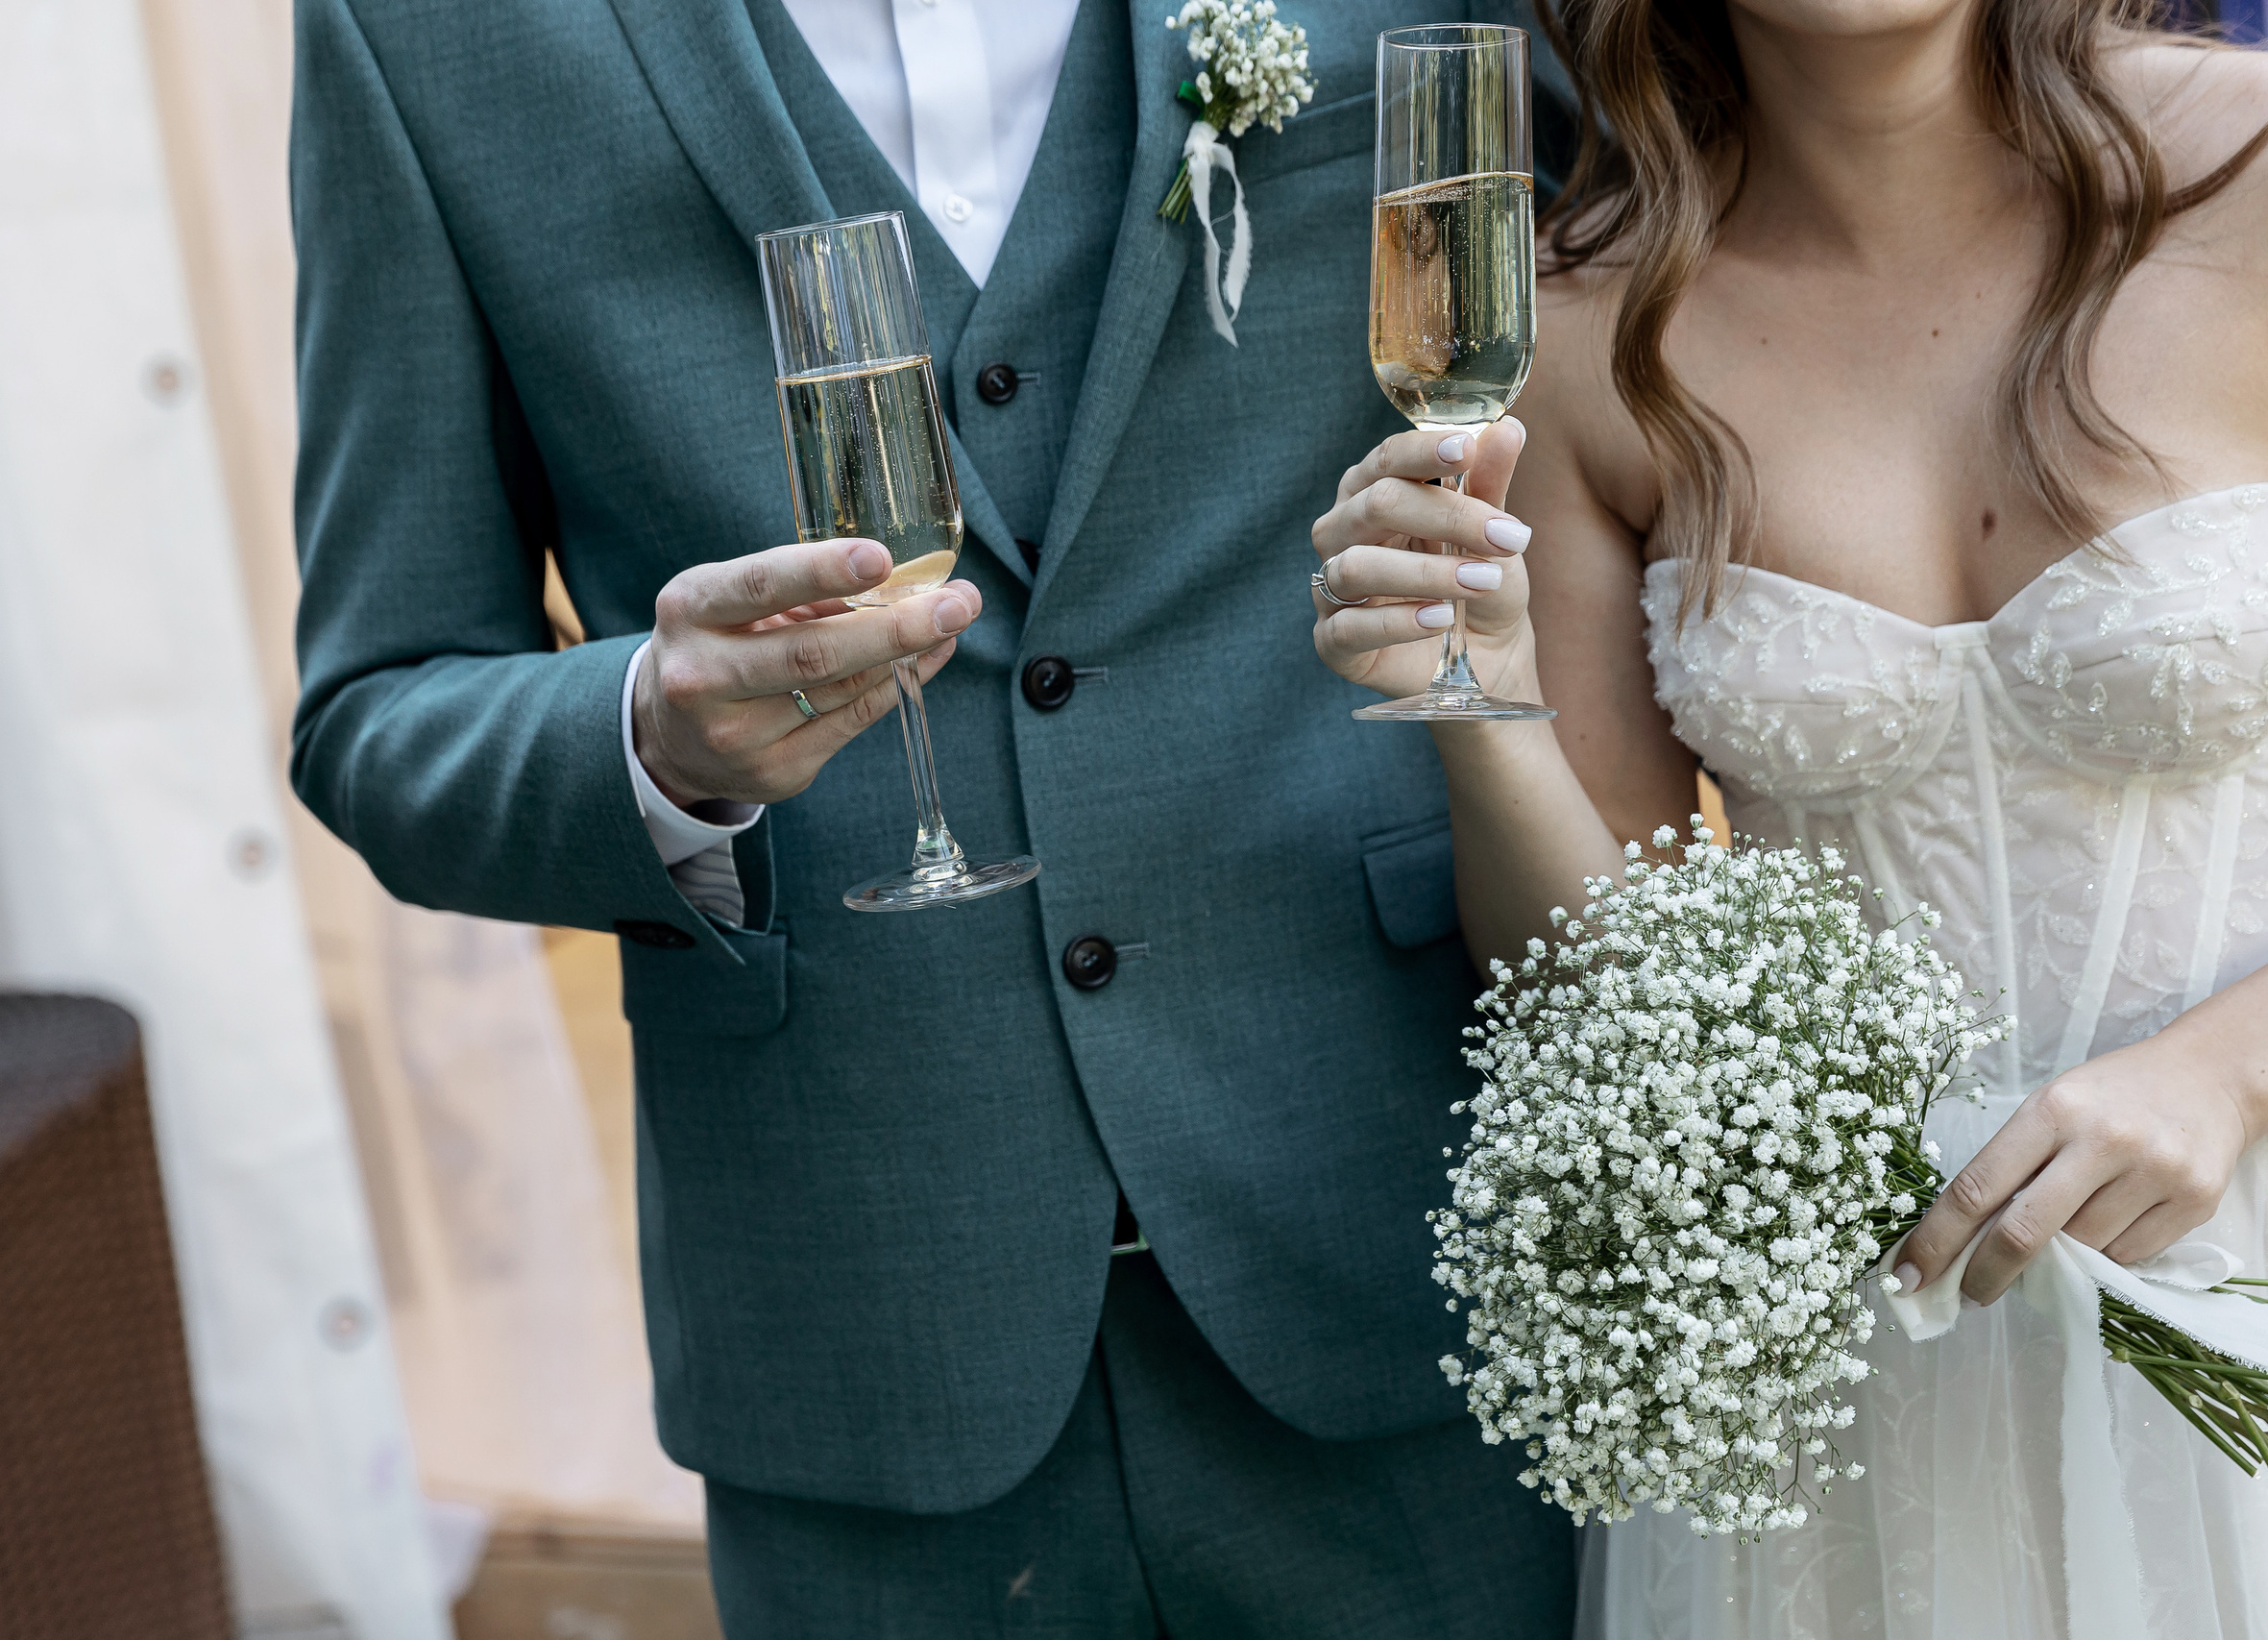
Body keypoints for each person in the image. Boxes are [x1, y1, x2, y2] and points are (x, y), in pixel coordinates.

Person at [287, 0, 1577, 1633]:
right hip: (866, 1342)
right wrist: (646, 736)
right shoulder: (414, 35)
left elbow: (1716, 216)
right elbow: (376, 707)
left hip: (1409, 1241)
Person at [1309, 0, 2268, 1631]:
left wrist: (2230, 1074)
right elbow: (1604, 992)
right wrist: (1481, 705)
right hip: (1853, 1394)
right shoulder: (1575, 328)